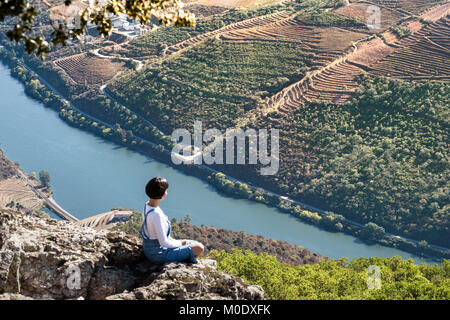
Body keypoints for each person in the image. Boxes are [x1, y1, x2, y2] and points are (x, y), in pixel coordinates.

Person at [141, 177, 204, 264]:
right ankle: (187, 261)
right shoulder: (156, 214)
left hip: (150, 249)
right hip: (158, 254)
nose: (167, 192)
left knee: (194, 243)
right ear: (162, 194)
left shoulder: (147, 205)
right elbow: (163, 242)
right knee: (199, 247)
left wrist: (180, 242)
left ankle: (184, 256)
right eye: (166, 190)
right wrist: (181, 243)